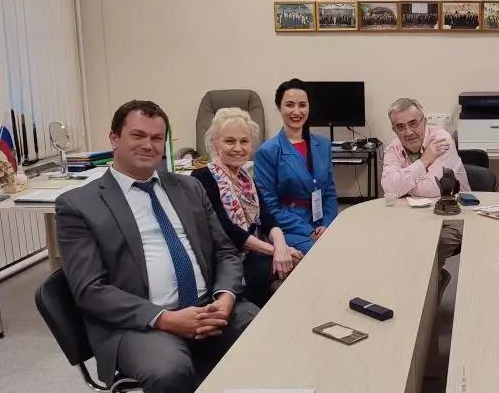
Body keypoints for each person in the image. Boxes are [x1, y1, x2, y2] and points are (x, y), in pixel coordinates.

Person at [55, 100, 258, 393]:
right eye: (138, 135)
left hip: (208, 306)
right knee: (169, 371)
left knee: (264, 332)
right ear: (114, 138)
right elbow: (90, 290)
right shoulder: (78, 205)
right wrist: (164, 318)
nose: (148, 145)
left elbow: (225, 252)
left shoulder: (189, 187)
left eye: (156, 138)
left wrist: (225, 297)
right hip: (141, 323)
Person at [191, 108, 302, 308]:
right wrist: (274, 251)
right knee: (293, 266)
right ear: (215, 143)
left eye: (244, 141)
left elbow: (267, 217)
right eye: (229, 141)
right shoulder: (202, 177)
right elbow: (227, 231)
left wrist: (281, 246)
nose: (238, 148)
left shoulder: (245, 178)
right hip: (228, 260)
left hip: (253, 253)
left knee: (294, 262)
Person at [381, 97, 468, 290]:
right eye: (400, 127)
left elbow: (433, 189)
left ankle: (432, 285)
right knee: (388, 244)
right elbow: (388, 188)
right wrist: (425, 160)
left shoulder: (442, 140)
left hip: (452, 216)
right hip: (411, 215)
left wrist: (403, 183)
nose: (408, 132)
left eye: (413, 123)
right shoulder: (393, 147)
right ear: (394, 129)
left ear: (424, 121)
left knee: (428, 254)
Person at [254, 78, 339, 254]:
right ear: (279, 108)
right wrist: (308, 231)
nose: (297, 111)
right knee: (323, 253)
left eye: (302, 105)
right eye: (290, 105)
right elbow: (269, 206)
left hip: (322, 223)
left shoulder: (323, 145)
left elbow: (330, 193)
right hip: (288, 228)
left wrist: (327, 224)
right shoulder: (267, 151)